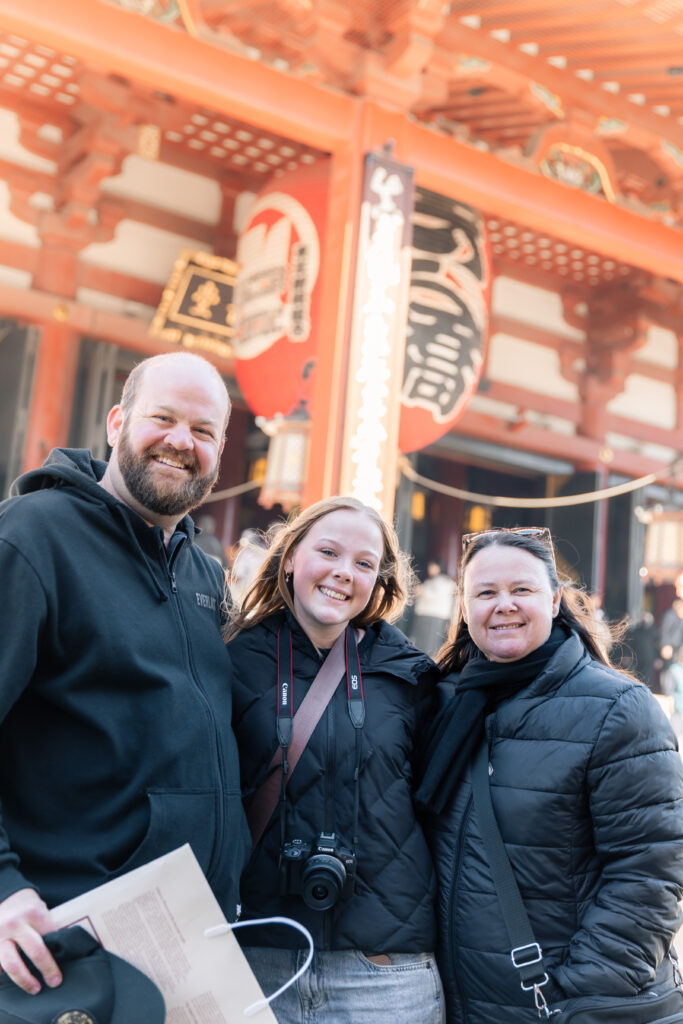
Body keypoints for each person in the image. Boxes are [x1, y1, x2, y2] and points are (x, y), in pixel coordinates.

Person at [0, 351, 251, 995]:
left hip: (193, 935)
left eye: (202, 431)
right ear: (117, 423)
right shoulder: (31, 539)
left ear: (220, 449)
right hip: (68, 938)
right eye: (162, 418)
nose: (179, 442)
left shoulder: (202, 572)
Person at [416, 526, 683, 1023]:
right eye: (486, 593)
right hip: (459, 1004)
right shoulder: (441, 702)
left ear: (556, 599)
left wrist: (579, 992)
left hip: (557, 1004)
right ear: (464, 606)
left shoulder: (617, 709)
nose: (504, 605)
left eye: (522, 590)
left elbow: (650, 872)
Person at [226, 496, 445, 1024]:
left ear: (381, 581)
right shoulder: (230, 660)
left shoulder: (412, 676)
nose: (343, 573)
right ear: (291, 558)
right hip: (254, 956)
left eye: (364, 563)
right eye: (328, 551)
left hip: (384, 970)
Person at [409, 560, 458, 657]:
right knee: (421, 643)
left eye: (433, 566)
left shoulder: (445, 582)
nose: (430, 569)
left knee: (430, 645)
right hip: (425, 615)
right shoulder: (430, 581)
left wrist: (422, 591)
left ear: (439, 567)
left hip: (434, 616)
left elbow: (439, 598)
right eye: (429, 566)